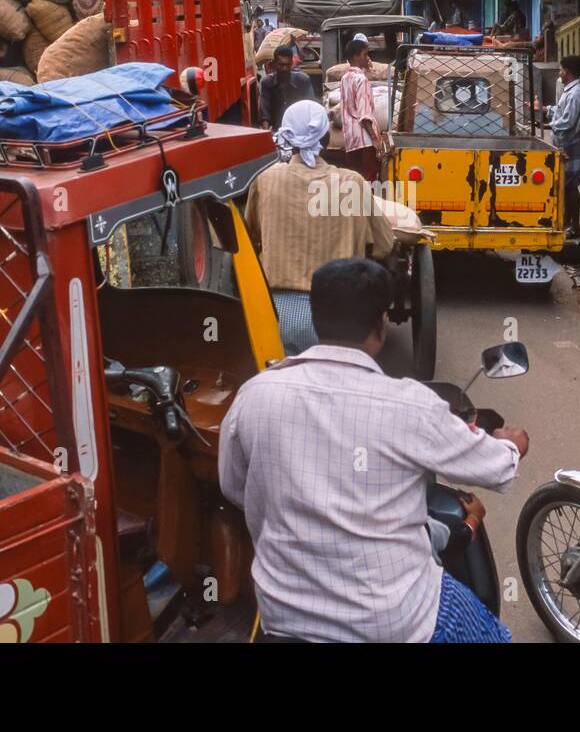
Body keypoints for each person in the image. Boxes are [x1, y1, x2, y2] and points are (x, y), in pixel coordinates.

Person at [218, 257, 529, 642]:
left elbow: (234, 488)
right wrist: (512, 445)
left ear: (314, 319)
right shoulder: (410, 405)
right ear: (380, 324)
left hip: (284, 619)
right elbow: (497, 470)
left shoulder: (255, 395)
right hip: (395, 623)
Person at [245, 101, 394, 354]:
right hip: (340, 318)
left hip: (276, 314)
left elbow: (252, 239)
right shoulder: (352, 183)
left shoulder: (265, 180)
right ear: (326, 138)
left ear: (287, 138)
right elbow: (384, 245)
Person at [545, 55, 580, 240]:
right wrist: (548, 110)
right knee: (564, 184)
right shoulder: (570, 90)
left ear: (567, 71)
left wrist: (551, 125)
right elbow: (563, 112)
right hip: (564, 143)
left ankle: (575, 227)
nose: (559, 73)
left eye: (561, 69)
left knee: (570, 187)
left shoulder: (576, 92)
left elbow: (568, 121)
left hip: (570, 143)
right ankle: (566, 222)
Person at [339, 38, 388, 182]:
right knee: (369, 181)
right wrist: (375, 139)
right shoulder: (362, 80)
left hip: (350, 139)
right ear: (356, 57)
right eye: (365, 55)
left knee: (354, 182)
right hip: (364, 140)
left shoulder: (344, 78)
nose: (368, 58)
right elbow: (364, 115)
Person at [258, 44, 319, 131]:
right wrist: (267, 133)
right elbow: (265, 113)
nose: (284, 68)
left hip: (300, 129)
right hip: (276, 131)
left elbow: (312, 106)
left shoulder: (303, 80)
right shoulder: (267, 83)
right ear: (274, 63)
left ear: (291, 63)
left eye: (287, 65)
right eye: (281, 65)